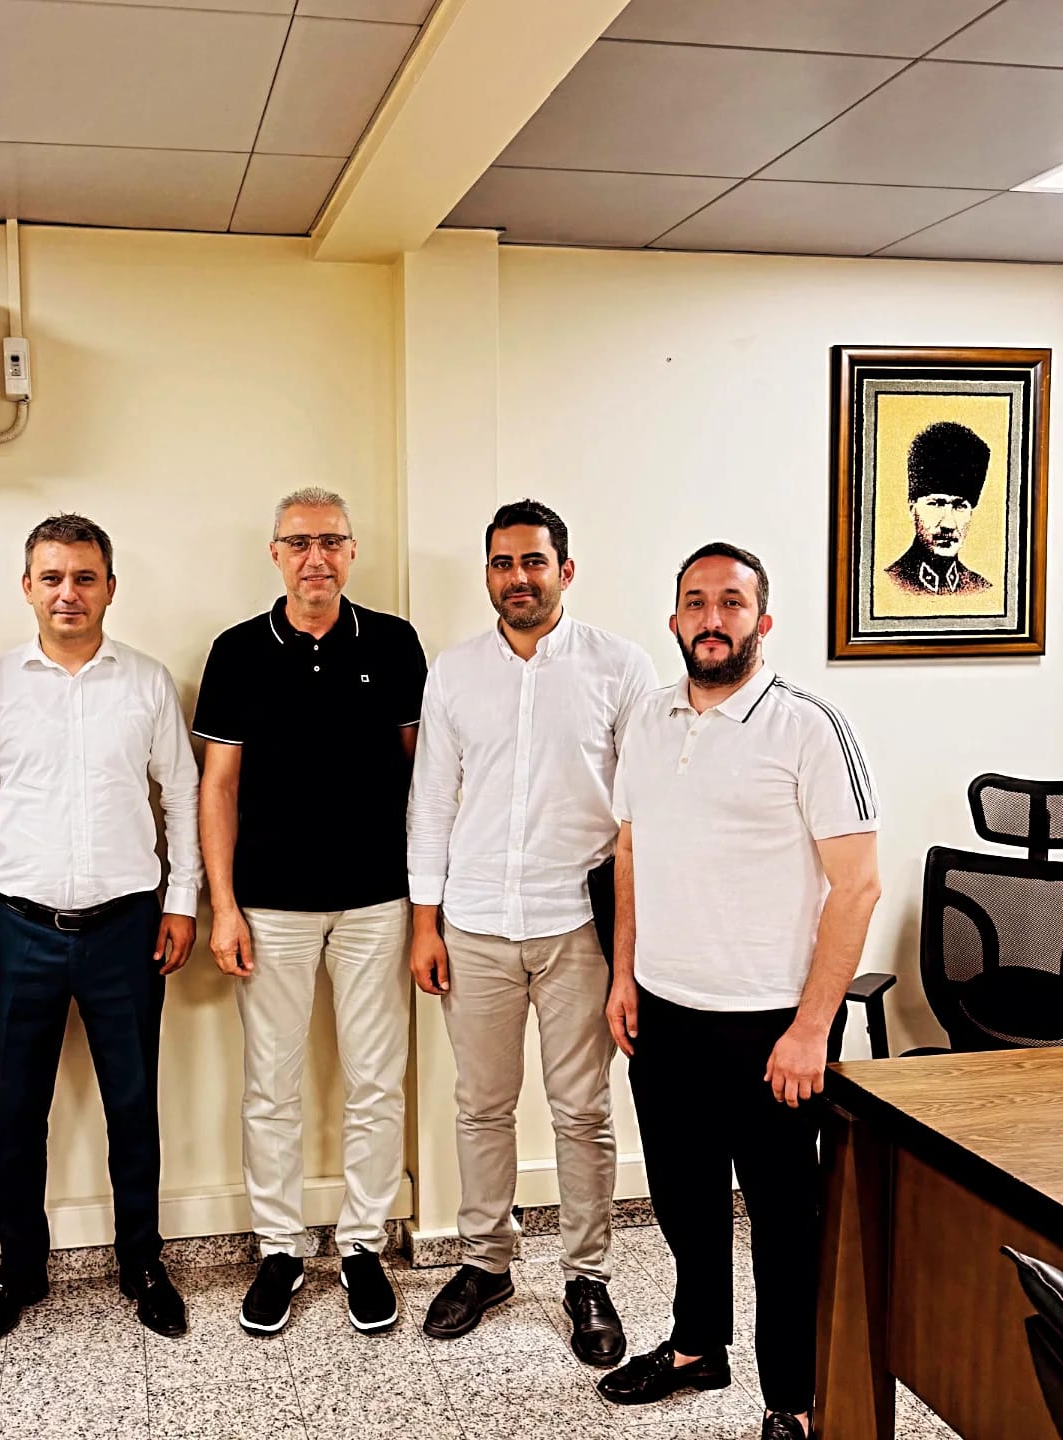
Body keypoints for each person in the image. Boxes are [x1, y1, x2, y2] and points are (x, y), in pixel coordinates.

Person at [598, 541, 881, 1440]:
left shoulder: (809, 727)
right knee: (684, 1204)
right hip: (665, 1015)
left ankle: (791, 1400)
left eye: (730, 602)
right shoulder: (647, 720)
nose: (711, 618)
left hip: (772, 1028)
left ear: (763, 620)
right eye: (696, 601)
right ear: (674, 619)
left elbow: (858, 885)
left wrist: (811, 1029)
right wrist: (624, 975)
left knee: (784, 1227)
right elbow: (631, 851)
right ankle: (696, 1348)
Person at [0, 513, 201, 1347]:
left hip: (129, 928)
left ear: (110, 588)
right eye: (51, 577)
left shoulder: (147, 683)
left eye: (85, 578)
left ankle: (142, 1262)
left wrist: (182, 900)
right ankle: (19, 1266)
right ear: (27, 587)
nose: (68, 593)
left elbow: (184, 797)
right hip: (20, 931)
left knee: (134, 1104)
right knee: (18, 1109)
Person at [407, 498, 656, 1364]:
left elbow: (640, 815)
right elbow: (431, 802)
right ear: (489, 573)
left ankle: (587, 1274)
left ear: (565, 571)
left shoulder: (620, 668)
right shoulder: (454, 672)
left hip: (576, 926)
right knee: (481, 1106)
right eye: (503, 563)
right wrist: (426, 923)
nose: (518, 577)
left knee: (582, 1110)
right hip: (474, 923)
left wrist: (630, 952)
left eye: (534, 561)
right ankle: (486, 1262)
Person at [196, 486, 426, 1335]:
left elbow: (424, 781)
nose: (315, 557)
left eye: (330, 540)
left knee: (376, 1081)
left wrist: (427, 905)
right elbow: (217, 787)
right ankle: (280, 1249)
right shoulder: (236, 651)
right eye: (299, 542)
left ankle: (362, 1244)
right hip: (269, 906)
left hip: (377, 900)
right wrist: (223, 906)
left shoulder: (395, 644)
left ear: (352, 551)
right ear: (276, 554)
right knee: (272, 1086)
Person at [885, 421, 992, 595]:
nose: (948, 524)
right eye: (936, 504)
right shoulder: (888, 586)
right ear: (912, 509)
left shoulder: (981, 590)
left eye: (959, 506)